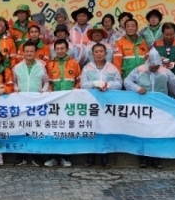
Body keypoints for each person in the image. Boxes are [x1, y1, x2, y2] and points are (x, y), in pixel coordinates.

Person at [124, 50, 175, 168]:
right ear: (148, 63)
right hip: (143, 107)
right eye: (152, 67)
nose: (154, 69)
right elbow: (127, 81)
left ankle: (156, 159)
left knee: (158, 132)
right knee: (142, 131)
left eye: (156, 67)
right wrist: (137, 88)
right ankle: (143, 158)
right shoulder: (139, 70)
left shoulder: (166, 72)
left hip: (161, 108)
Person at [80, 42, 123, 168]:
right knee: (91, 129)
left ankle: (105, 158)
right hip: (91, 104)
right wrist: (95, 83)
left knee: (105, 129)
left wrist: (107, 85)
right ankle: (90, 157)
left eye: (101, 51)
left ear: (106, 53)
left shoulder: (112, 68)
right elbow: (83, 84)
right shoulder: (87, 68)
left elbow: (119, 83)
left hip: (107, 104)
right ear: (92, 54)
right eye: (96, 52)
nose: (99, 54)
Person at [44, 39, 81, 168]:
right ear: (55, 50)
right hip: (53, 103)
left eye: (62, 48)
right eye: (57, 49)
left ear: (67, 49)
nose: (60, 51)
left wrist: (76, 89)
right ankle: (52, 157)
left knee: (66, 129)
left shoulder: (74, 63)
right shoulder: (49, 65)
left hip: (68, 103)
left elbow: (79, 80)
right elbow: (46, 82)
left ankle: (66, 157)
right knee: (52, 129)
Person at [13, 41, 49, 166]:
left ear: (35, 53)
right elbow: (13, 82)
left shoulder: (41, 66)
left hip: (36, 104)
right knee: (20, 129)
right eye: (27, 51)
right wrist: (15, 87)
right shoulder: (17, 67)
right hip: (21, 104)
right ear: (23, 53)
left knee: (36, 129)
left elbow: (46, 82)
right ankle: (20, 157)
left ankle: (36, 157)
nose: (29, 53)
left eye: (31, 51)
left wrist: (43, 91)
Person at [153, 22, 175, 87]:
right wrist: (159, 59)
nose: (169, 37)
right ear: (162, 33)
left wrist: (173, 64)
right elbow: (151, 58)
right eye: (166, 35)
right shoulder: (156, 44)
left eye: (171, 35)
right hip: (160, 75)